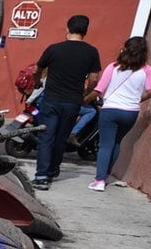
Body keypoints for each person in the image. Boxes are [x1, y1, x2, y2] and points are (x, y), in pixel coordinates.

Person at [31, 15, 101, 190]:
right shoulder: (91, 52)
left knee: (46, 137)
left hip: (51, 100)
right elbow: (94, 80)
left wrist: (37, 82)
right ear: (85, 31)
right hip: (72, 102)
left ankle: (41, 177)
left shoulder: (54, 49)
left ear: (67, 28)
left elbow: (37, 69)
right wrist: (84, 93)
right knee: (61, 137)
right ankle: (53, 170)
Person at [84, 36, 151, 192]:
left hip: (110, 110)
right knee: (116, 143)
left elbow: (98, 90)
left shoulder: (113, 67)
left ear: (126, 49)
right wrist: (139, 98)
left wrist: (84, 101)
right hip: (131, 112)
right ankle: (106, 176)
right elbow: (149, 90)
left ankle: (99, 180)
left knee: (105, 145)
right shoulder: (146, 70)